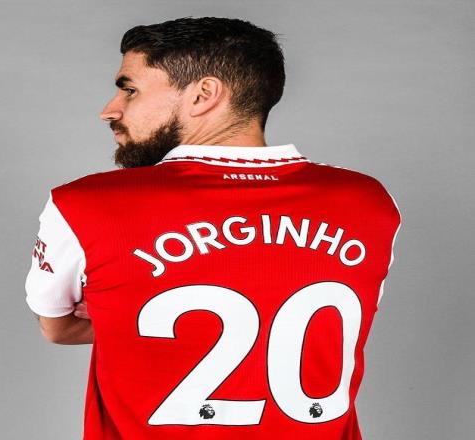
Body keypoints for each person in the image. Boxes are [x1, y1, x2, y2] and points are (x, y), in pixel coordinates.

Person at [24, 16, 402, 439]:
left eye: (129, 89)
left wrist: (120, 309)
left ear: (203, 95)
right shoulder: (367, 202)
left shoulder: (85, 204)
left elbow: (57, 326)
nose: (110, 109)